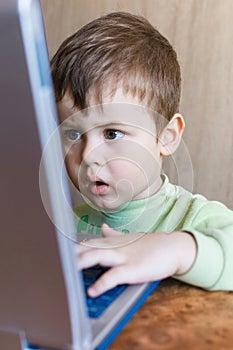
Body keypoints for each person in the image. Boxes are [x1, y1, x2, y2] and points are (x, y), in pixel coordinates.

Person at [51, 12, 233, 298]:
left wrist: (177, 249)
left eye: (112, 133)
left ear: (167, 137)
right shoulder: (68, 226)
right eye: (73, 135)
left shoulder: (193, 216)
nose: (88, 156)